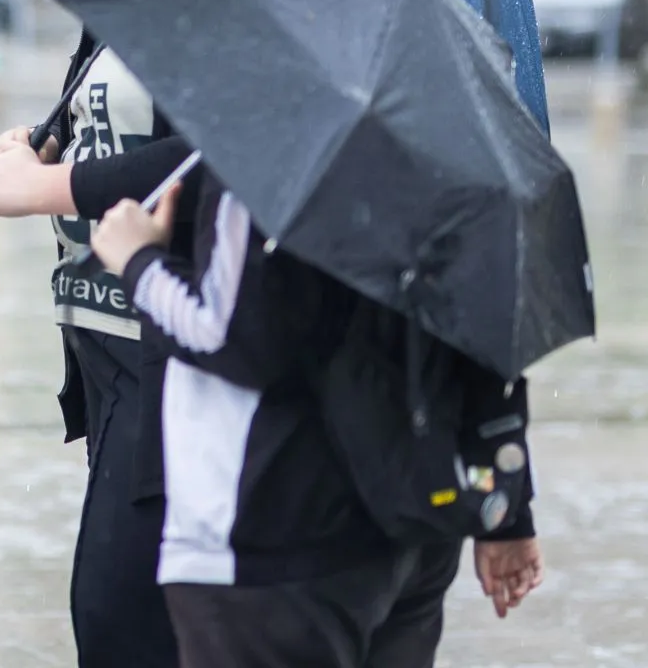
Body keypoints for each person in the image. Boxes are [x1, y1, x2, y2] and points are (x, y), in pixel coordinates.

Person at [88, 174, 543, 667]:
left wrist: (139, 263)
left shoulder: (263, 156)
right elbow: (487, 330)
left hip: (273, 531)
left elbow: (229, 335)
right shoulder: (454, 153)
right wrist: (508, 511)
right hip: (410, 524)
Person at [0, 31, 189, 667]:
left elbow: (207, 153)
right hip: (102, 355)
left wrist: (45, 187)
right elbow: (109, 128)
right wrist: (41, 147)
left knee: (116, 619)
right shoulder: (117, 9)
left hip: (166, 358)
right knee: (116, 614)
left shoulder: (210, 8)